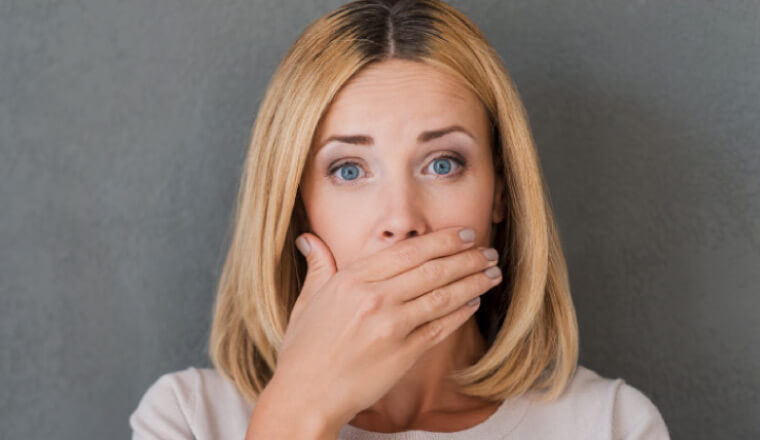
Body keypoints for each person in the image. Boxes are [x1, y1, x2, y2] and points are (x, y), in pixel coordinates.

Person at [129, 0, 671, 439]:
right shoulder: (189, 418)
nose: (401, 221)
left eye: (442, 164)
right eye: (348, 169)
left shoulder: (610, 425)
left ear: (500, 195)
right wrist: (296, 412)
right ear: (296, 209)